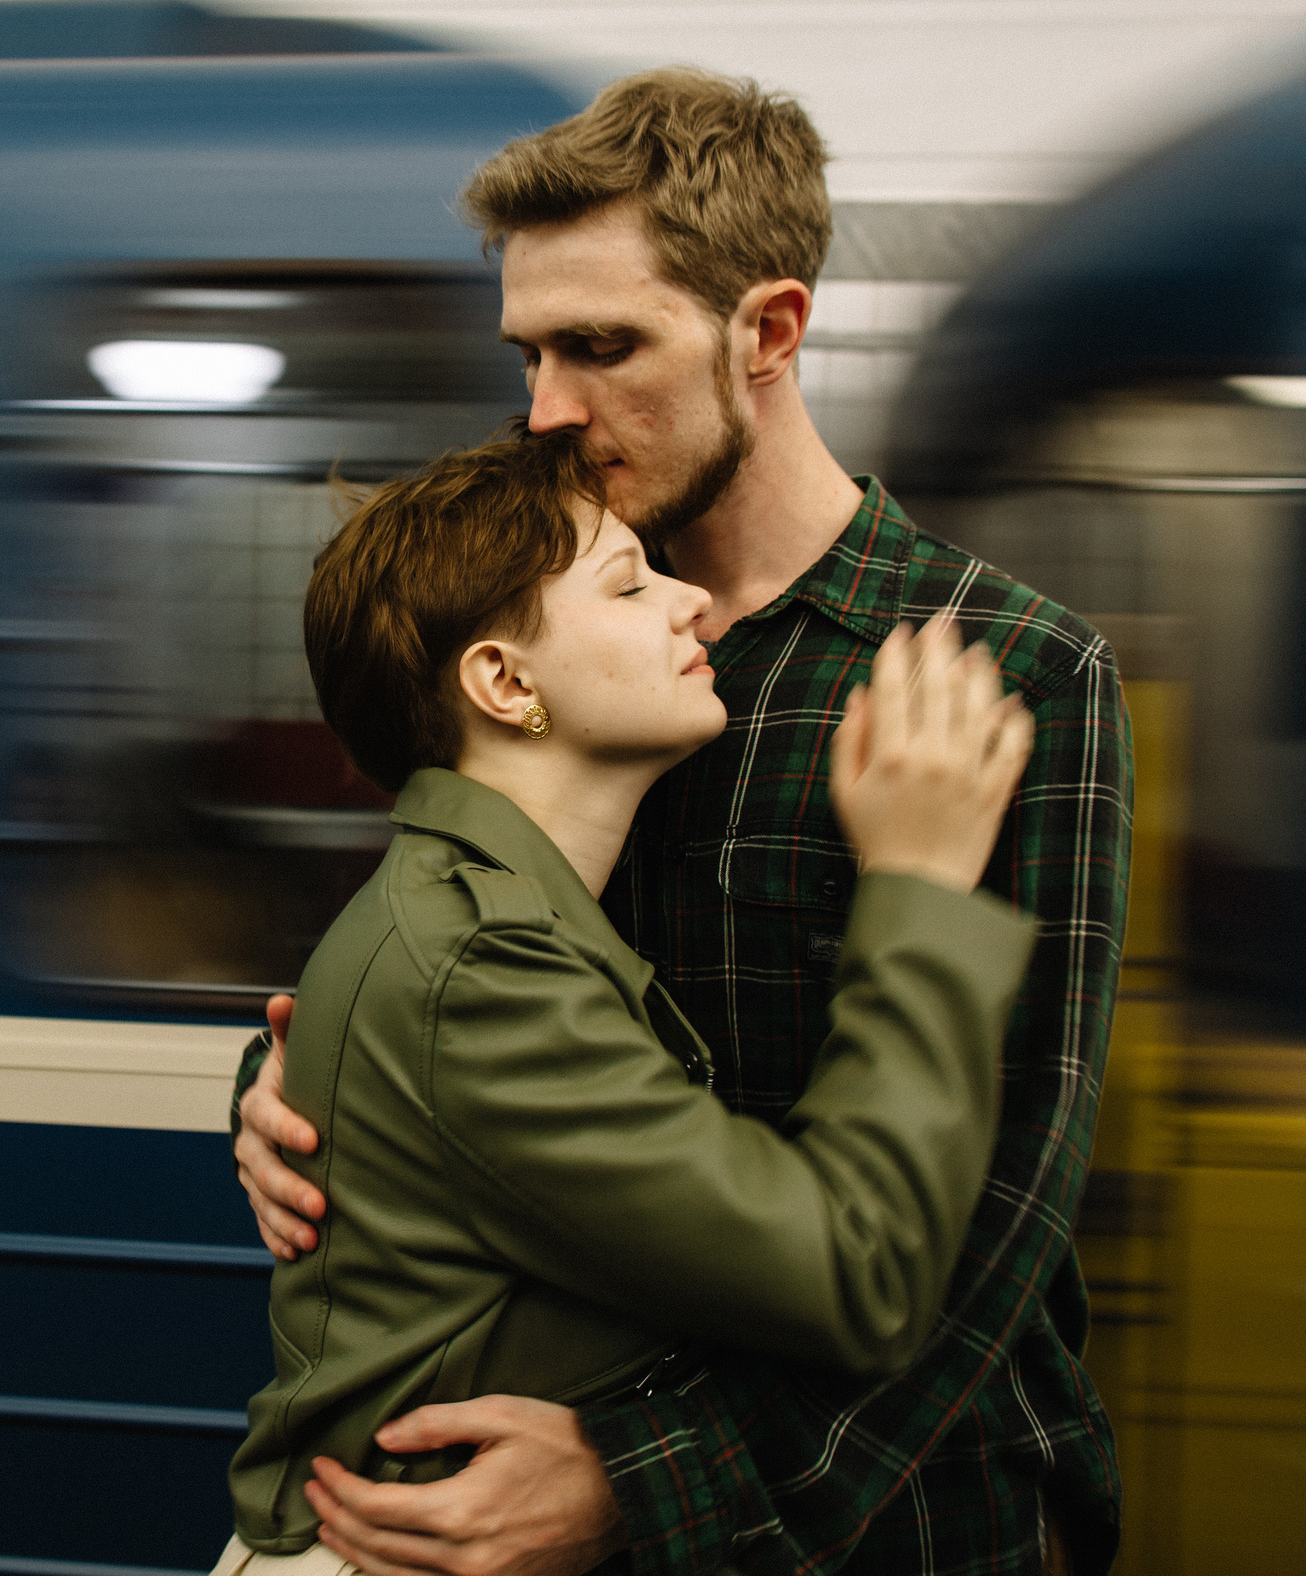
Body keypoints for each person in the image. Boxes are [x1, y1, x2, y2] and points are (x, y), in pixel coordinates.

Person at [233, 70, 1131, 1576]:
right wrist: (289, 1089)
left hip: (902, 1522)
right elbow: (435, 922)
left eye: (603, 346)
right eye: (528, 351)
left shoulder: (1001, 667)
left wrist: (642, 1483)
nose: (548, 412)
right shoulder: (551, 621)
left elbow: (1001, 1214)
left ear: (768, 331)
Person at [218, 428, 1037, 1576]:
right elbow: (861, 1276)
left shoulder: (487, 917)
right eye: (628, 581)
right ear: (504, 683)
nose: (693, 604)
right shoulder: (485, 966)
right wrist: (915, 885)